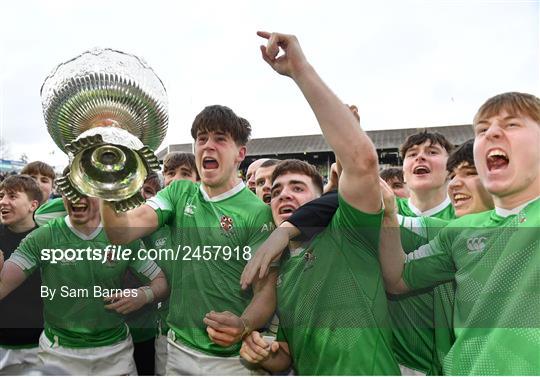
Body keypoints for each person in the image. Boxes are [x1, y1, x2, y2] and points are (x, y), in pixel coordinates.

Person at [239, 31, 399, 375]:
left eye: (297, 187)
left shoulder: (350, 233)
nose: (283, 195)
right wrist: (265, 356)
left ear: (321, 196)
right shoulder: (284, 272)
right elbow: (289, 355)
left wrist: (300, 70)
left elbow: (362, 162)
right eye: (276, 191)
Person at [101, 105, 275, 375]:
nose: (208, 146)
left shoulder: (258, 212)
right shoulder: (180, 192)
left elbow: (266, 291)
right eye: (201, 138)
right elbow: (121, 231)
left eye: (220, 138)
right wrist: (106, 180)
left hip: (231, 360)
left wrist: (243, 324)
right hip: (177, 351)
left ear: (240, 153)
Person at [379, 91, 540, 375]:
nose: (492, 133)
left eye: (511, 124)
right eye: (482, 129)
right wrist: (389, 215)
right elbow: (398, 278)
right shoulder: (459, 233)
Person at [0, 179, 168, 375]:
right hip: (59, 353)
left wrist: (143, 295)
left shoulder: (123, 238)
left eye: (85, 190)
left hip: (116, 352)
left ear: (102, 195)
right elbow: (3, 285)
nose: (76, 197)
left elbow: (161, 282)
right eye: (69, 191)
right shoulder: (43, 237)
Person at [0, 175, 43, 374]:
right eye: (1, 195)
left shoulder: (48, 240)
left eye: (12, 196)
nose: (3, 201)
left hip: (40, 347)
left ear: (33, 205)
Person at [399, 132, 455, 219]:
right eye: (412, 154)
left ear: (450, 168)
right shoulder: (387, 209)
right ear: (404, 174)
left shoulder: (468, 214)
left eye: (432, 152)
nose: (420, 156)